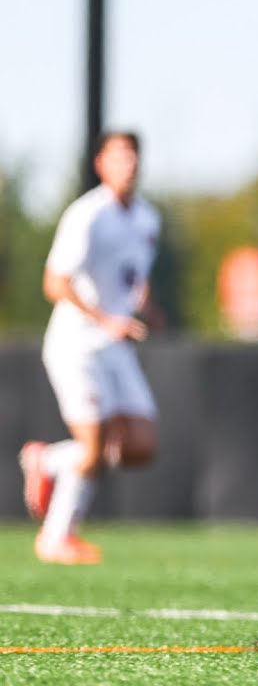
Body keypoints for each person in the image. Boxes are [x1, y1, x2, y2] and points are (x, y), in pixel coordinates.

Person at [18, 131, 161, 565]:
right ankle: (56, 538)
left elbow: (132, 278)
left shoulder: (147, 218)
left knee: (141, 445)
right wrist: (106, 319)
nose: (128, 165)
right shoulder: (87, 214)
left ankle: (49, 461)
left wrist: (148, 308)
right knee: (94, 446)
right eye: (118, 157)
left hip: (116, 348)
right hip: (76, 345)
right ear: (100, 164)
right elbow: (54, 283)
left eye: (132, 156)